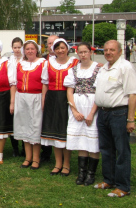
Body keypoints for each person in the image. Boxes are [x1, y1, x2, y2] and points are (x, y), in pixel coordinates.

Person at [93, 40, 136, 198]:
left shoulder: (125, 67)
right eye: (105, 50)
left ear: (120, 52)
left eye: (112, 50)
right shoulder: (104, 68)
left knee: (122, 150)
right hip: (103, 112)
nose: (108, 52)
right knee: (106, 149)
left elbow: (133, 93)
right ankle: (109, 180)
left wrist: (130, 119)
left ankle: (123, 186)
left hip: (118, 113)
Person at [64, 42, 102, 185]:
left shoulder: (98, 69)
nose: (83, 55)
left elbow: (99, 92)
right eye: (80, 52)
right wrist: (74, 110)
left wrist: (92, 113)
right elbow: (69, 91)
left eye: (85, 52)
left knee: (92, 139)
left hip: (92, 106)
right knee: (81, 140)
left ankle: (91, 174)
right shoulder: (73, 70)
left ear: (90, 52)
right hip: (77, 106)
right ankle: (82, 173)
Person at [41, 38, 79, 176]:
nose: (60, 50)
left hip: (66, 98)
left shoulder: (74, 62)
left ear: (67, 48)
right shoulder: (49, 63)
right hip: (52, 97)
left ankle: (67, 164)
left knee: (64, 131)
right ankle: (57, 163)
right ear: (54, 50)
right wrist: (44, 100)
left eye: (63, 47)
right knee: (54, 131)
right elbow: (45, 83)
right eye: (57, 48)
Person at [12, 40, 47, 170]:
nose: (30, 51)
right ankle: (28, 157)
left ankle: (36, 159)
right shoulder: (20, 63)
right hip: (21, 97)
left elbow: (45, 83)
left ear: (36, 50)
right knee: (24, 126)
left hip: (36, 97)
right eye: (27, 49)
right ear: (24, 51)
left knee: (35, 127)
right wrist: (14, 100)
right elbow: (15, 83)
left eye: (32, 49)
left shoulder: (43, 63)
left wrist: (43, 99)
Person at [40, 34, 58, 163]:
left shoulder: (68, 60)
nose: (51, 46)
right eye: (50, 43)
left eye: (54, 43)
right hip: (46, 94)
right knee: (44, 123)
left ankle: (60, 151)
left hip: (60, 95)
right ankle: (45, 153)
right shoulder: (42, 59)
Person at [7, 37, 24, 157]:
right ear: (12, 48)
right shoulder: (8, 60)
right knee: (12, 119)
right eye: (15, 47)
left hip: (23, 92)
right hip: (11, 91)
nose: (17, 50)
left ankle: (24, 147)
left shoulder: (26, 60)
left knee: (23, 120)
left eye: (19, 47)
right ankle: (15, 148)